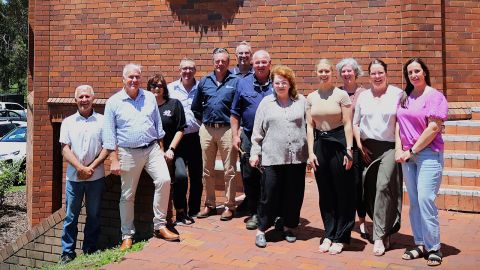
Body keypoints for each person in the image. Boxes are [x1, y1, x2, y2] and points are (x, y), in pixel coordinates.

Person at [103, 63, 179, 251]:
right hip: (128, 152)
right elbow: (109, 134)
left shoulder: (149, 98)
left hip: (152, 149)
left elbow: (158, 126)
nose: (135, 80)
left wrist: (161, 149)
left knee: (164, 180)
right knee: (128, 195)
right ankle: (127, 235)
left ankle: (159, 226)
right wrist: (113, 159)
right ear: (123, 79)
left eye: (137, 77)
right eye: (131, 77)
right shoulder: (114, 102)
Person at [396, 58, 448, 267]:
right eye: (410, 72)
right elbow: (398, 124)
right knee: (415, 202)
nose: (413, 75)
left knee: (426, 199)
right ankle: (419, 243)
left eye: (417, 71)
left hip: (428, 154)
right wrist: (399, 149)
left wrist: (411, 150)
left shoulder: (435, 96)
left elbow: (434, 127)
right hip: (408, 156)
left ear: (425, 72)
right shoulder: (404, 96)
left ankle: (434, 247)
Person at [250, 65, 308, 248]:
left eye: (284, 82)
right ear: (272, 84)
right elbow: (257, 132)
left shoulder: (301, 101)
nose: (280, 85)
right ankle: (261, 229)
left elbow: (310, 128)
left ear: (290, 83)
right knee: (270, 194)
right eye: (277, 82)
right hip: (272, 156)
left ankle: (289, 226)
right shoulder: (266, 103)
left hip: (297, 158)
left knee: (294, 194)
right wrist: (255, 153)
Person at [353, 59, 403, 256]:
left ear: (386, 73)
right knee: (371, 191)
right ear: (369, 75)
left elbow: (400, 123)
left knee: (383, 186)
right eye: (373, 73)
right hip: (367, 147)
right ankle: (386, 228)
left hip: (390, 147)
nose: (377, 76)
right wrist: (359, 144)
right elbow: (356, 123)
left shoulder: (397, 94)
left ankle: (379, 236)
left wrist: (399, 147)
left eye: (380, 72)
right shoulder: (364, 96)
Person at [307, 59, 355, 255]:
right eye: (321, 71)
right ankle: (329, 233)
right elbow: (310, 126)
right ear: (316, 73)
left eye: (327, 70)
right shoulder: (311, 97)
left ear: (332, 73)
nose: (324, 74)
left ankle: (341, 236)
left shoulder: (341, 95)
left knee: (342, 191)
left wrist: (349, 150)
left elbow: (348, 124)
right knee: (325, 192)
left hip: (339, 144)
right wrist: (311, 152)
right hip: (320, 145)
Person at [59, 85, 109, 264]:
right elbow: (65, 149)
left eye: (87, 96)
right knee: (71, 216)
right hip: (74, 178)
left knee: (94, 215)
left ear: (93, 98)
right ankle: (67, 252)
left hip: (96, 177)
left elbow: (108, 147)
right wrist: (80, 168)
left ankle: (90, 248)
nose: (84, 100)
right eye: (80, 97)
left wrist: (91, 167)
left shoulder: (103, 121)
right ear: (75, 100)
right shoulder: (68, 122)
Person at [191, 48, 239, 221]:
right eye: (217, 61)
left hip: (227, 129)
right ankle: (210, 204)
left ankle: (229, 205)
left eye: (224, 61)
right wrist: (204, 122)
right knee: (207, 169)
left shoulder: (236, 81)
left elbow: (239, 107)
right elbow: (195, 106)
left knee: (230, 170)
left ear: (228, 62)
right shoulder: (205, 81)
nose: (220, 64)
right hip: (207, 129)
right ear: (213, 62)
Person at [231, 50, 273, 230]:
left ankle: (272, 212)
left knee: (271, 175)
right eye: (258, 63)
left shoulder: (278, 82)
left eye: (264, 62)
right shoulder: (243, 83)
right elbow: (235, 112)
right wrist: (235, 135)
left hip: (272, 137)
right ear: (252, 64)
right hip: (248, 136)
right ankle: (255, 212)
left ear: (270, 64)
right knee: (249, 175)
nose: (261, 65)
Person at [148, 73, 192, 225]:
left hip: (174, 150)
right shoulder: (146, 107)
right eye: (153, 85)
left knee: (180, 176)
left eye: (160, 85)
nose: (156, 88)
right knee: (160, 181)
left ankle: (181, 212)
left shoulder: (174, 104)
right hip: (152, 152)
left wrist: (171, 149)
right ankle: (160, 217)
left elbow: (181, 129)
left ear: (164, 88)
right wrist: (159, 150)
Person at [336, 58, 369, 240]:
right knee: (342, 183)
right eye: (343, 71)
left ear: (356, 72)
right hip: (340, 143)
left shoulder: (364, 93)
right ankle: (343, 219)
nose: (347, 74)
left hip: (357, 144)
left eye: (350, 71)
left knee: (358, 184)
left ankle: (362, 222)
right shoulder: (336, 93)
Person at [168, 58, 203, 222]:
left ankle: (194, 210)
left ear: (195, 71)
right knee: (180, 176)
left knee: (196, 176)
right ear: (179, 70)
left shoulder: (201, 87)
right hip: (178, 139)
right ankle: (181, 210)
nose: (187, 72)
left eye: (191, 69)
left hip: (197, 137)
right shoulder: (170, 89)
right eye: (184, 69)